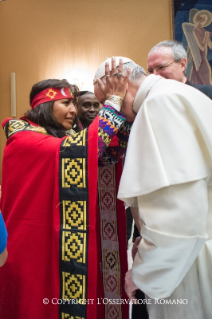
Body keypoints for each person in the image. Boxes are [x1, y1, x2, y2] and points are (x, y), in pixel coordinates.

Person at [0, 67, 133, 319]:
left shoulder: (58, 138)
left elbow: (102, 156)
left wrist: (124, 117)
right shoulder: (24, 139)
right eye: (65, 103)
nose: (74, 110)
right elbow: (78, 150)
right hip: (30, 248)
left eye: (73, 103)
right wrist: (113, 102)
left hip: (54, 239)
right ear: (45, 107)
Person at [94, 56, 212, 319]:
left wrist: (145, 273)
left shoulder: (160, 104)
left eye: (108, 100)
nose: (113, 111)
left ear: (121, 83)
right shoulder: (177, 94)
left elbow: (177, 210)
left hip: (186, 261)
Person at [147, 40, 212, 99]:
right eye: (150, 71)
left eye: (161, 67)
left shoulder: (207, 94)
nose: (154, 75)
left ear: (182, 64)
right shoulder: (150, 100)